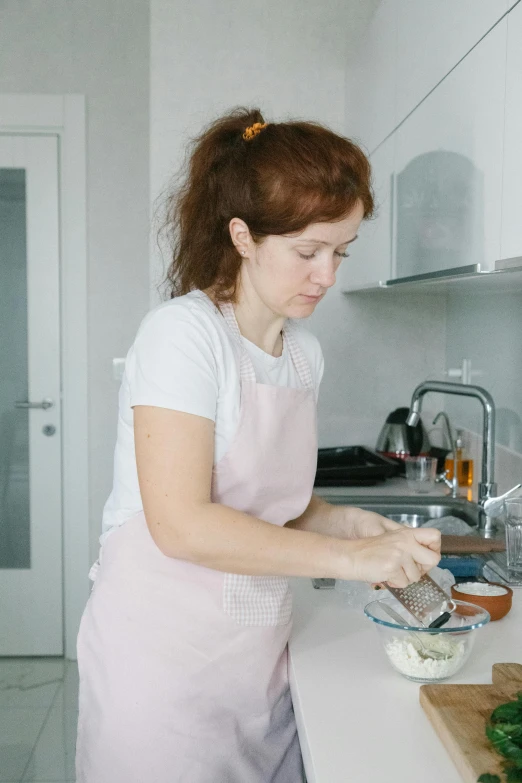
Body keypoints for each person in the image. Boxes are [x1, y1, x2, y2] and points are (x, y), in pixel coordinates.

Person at [75, 107, 441, 783]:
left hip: (256, 662)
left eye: (341, 251)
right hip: (162, 672)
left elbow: (274, 504)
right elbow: (183, 523)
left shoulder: (303, 356)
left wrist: (353, 521)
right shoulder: (183, 336)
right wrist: (353, 556)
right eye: (308, 251)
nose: (327, 275)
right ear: (242, 235)